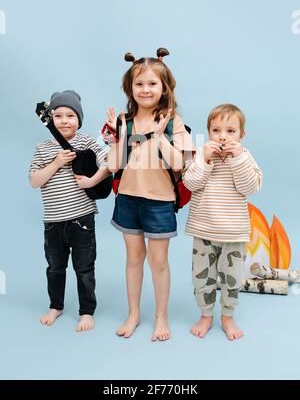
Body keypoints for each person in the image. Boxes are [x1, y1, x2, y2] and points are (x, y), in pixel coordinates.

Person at [107, 48, 194, 341]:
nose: (145, 89)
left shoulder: (172, 122)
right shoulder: (123, 120)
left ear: (164, 87)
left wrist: (158, 135)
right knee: (133, 258)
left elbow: (179, 163)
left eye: (152, 83)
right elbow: (114, 164)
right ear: (130, 88)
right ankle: (133, 314)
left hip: (160, 201)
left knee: (158, 262)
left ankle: (161, 317)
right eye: (139, 84)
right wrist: (115, 138)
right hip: (128, 198)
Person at [29, 90, 110, 331]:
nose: (64, 120)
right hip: (53, 222)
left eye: (71, 115)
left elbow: (108, 163)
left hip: (82, 219)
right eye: (58, 115)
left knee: (84, 268)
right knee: (55, 268)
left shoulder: (86, 142)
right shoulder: (43, 149)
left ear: (79, 119)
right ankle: (56, 306)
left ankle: (86, 312)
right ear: (50, 119)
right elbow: (34, 181)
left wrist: (91, 181)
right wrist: (56, 163)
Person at [183, 103, 263, 340]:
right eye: (216, 130)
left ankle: (227, 316)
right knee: (202, 276)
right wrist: (205, 161)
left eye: (230, 131)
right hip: (204, 228)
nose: (223, 136)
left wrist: (237, 159)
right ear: (208, 132)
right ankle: (206, 315)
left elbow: (250, 187)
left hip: (234, 233)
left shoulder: (245, 157)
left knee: (231, 279)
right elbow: (190, 184)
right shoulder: (200, 155)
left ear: (241, 135)